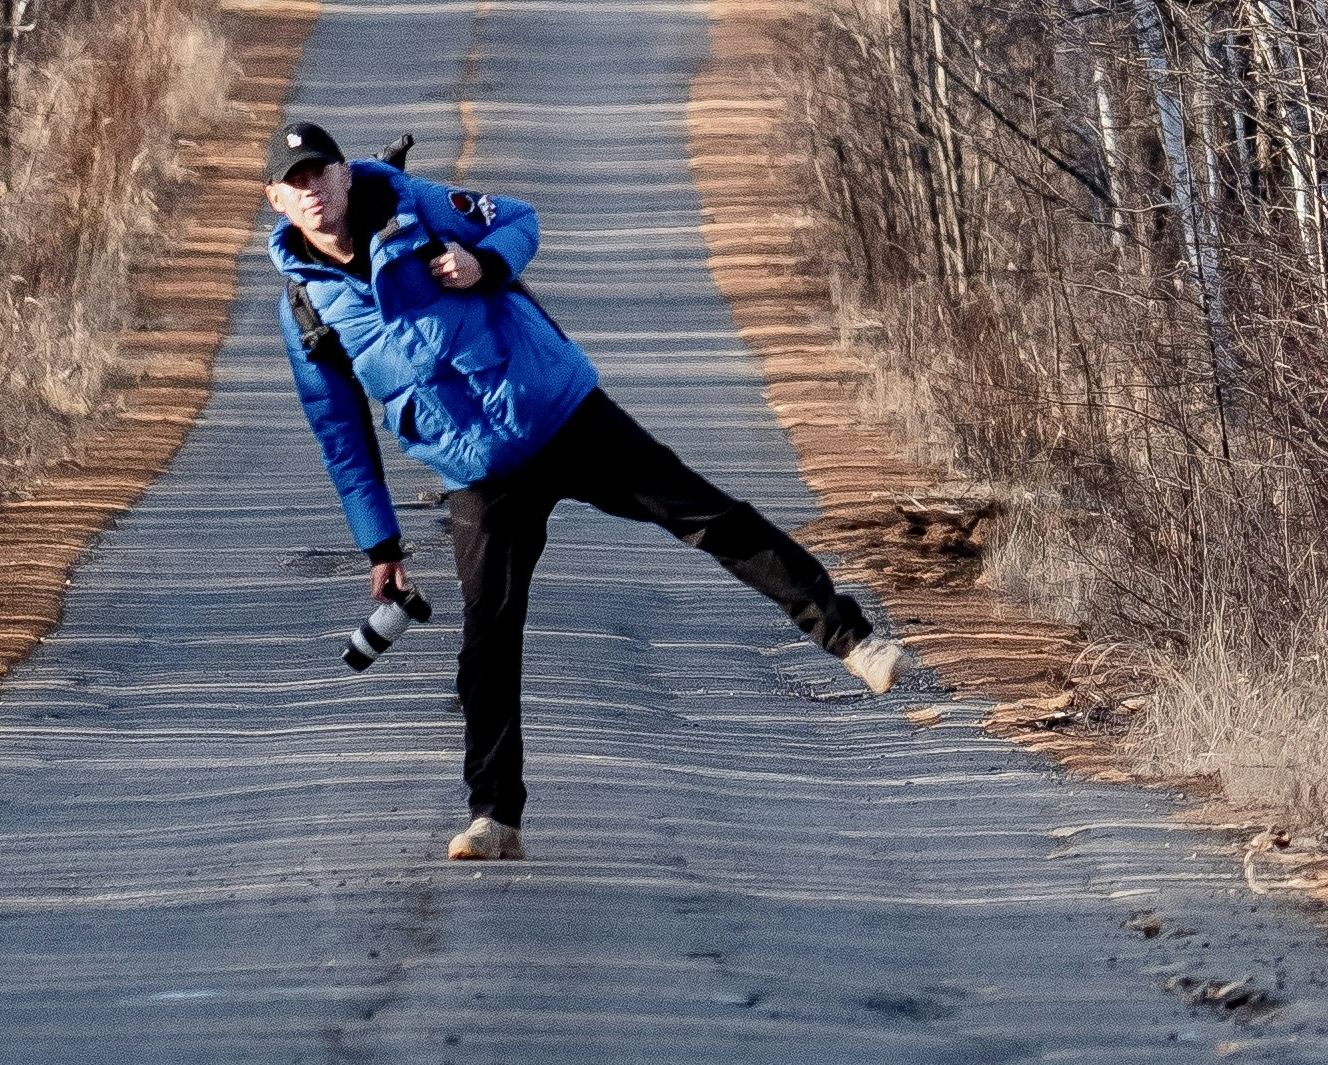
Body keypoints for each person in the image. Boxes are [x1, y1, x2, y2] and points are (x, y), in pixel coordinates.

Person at [265, 107, 898, 862]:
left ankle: (852, 638)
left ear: (343, 173)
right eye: (295, 182)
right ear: (277, 200)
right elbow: (341, 432)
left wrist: (482, 265)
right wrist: (379, 541)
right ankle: (494, 818)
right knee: (488, 639)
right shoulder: (305, 308)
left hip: (559, 412)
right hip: (478, 471)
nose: (313, 191)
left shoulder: (414, 205)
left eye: (321, 173)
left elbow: (519, 221)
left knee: (705, 514)